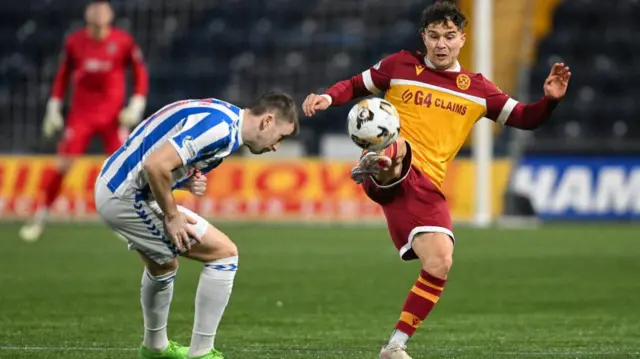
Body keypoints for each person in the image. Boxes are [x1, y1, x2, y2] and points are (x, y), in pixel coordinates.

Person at [301, 1, 571, 358]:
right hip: (396, 165)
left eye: (448, 36)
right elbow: (355, 85)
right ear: (423, 38)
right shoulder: (399, 65)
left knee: (440, 261)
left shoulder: (477, 89)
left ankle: (395, 347)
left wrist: (548, 101)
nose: (440, 44)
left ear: (462, 39)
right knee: (395, 145)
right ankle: (380, 160)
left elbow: (524, 117)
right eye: (433, 36)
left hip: (425, 188)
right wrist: (326, 97)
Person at [95, 92, 298, 359]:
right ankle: (201, 353)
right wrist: (171, 216)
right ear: (267, 121)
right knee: (224, 255)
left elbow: (161, 141)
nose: (276, 146)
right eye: (280, 137)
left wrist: (186, 177)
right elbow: (155, 164)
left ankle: (155, 348)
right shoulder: (220, 129)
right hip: (127, 196)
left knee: (163, 265)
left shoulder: (224, 116)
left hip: (124, 188)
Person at [20, 0, 149, 242]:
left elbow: (140, 72)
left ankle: (128, 222)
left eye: (103, 8)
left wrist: (137, 103)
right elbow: (62, 75)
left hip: (112, 116)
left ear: (110, 14)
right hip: (82, 115)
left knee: (127, 169)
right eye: (95, 8)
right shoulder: (75, 42)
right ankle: (40, 217)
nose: (99, 12)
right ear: (87, 13)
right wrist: (54, 106)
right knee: (63, 164)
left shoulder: (123, 41)